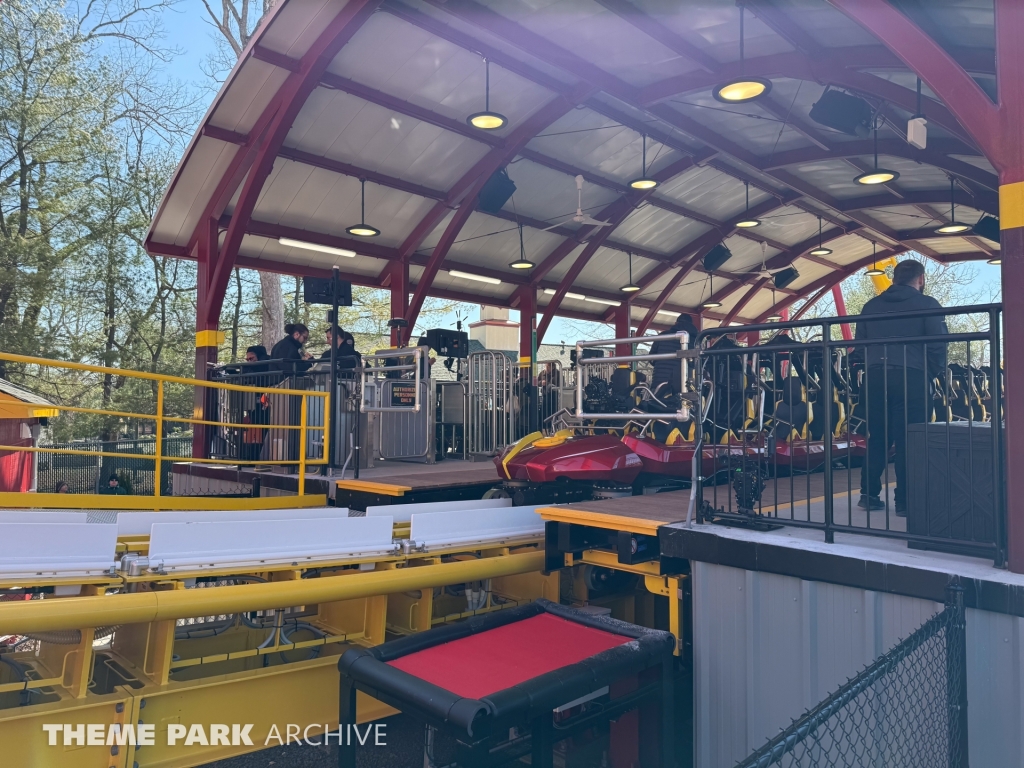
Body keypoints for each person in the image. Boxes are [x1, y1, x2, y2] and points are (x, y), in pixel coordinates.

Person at [855, 259, 947, 514]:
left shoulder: (869, 306)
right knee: (909, 440)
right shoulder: (928, 305)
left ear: (894, 278)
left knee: (877, 438)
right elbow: (939, 346)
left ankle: (868, 495)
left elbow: (859, 346)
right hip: (911, 377)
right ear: (921, 279)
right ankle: (905, 501)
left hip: (875, 378)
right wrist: (930, 373)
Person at [649, 314, 698, 398]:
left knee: (655, 404)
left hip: (660, 379)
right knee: (684, 405)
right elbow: (695, 363)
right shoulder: (696, 340)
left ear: (675, 323)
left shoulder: (664, 335)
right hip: (684, 382)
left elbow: (651, 358)